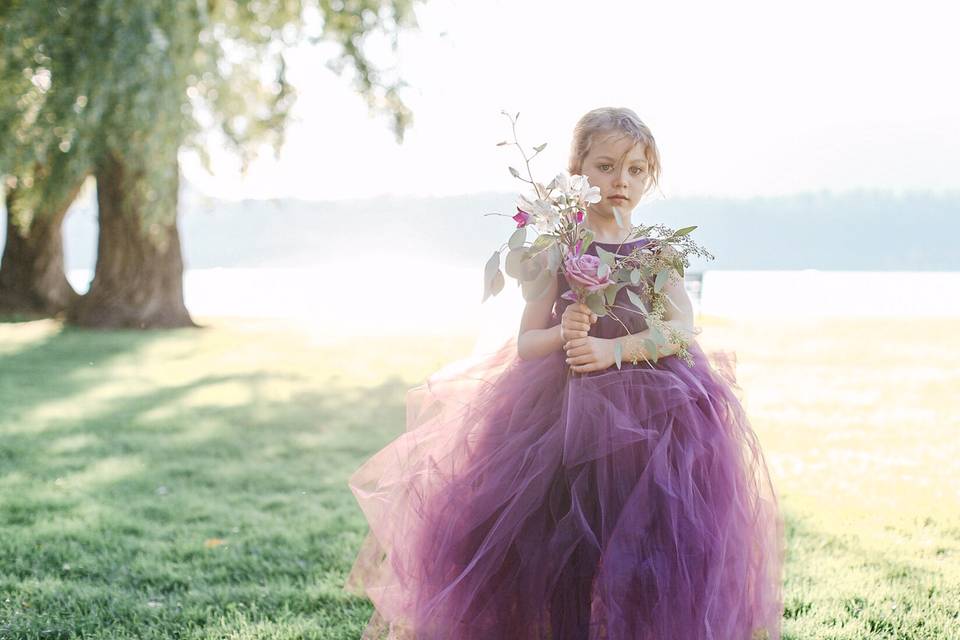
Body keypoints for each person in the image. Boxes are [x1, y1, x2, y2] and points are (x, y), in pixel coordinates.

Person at [343, 107, 786, 640]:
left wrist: (614, 350)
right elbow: (528, 342)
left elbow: (680, 331)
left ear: (651, 176)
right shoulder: (557, 248)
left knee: (646, 541)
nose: (620, 181)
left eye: (636, 171)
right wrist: (565, 332)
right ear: (578, 169)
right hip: (558, 417)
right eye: (605, 167)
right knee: (558, 542)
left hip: (654, 418)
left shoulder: (658, 252)